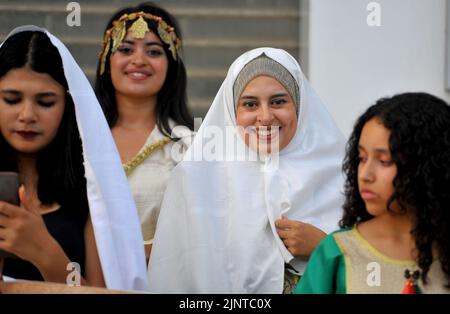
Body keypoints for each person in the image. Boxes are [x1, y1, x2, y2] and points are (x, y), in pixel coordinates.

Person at [148, 47, 346, 293]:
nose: (265, 117)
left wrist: (325, 247)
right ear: (232, 112)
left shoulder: (342, 174)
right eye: (250, 104)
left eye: (278, 101)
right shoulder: (196, 181)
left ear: (300, 106)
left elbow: (383, 270)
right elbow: (171, 278)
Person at [0, 25, 148, 291]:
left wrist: (43, 250)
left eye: (45, 102)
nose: (27, 115)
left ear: (69, 107)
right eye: (11, 99)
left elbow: (105, 291)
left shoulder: (91, 193)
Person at [294, 93, 450, 294]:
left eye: (384, 161)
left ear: (429, 167)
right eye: (361, 158)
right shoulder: (337, 253)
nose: (365, 175)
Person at [95, 2, 194, 263]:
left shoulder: (191, 146)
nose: (138, 60)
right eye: (126, 49)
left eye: (153, 51)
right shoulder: (77, 137)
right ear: (106, 59)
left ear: (171, 65)